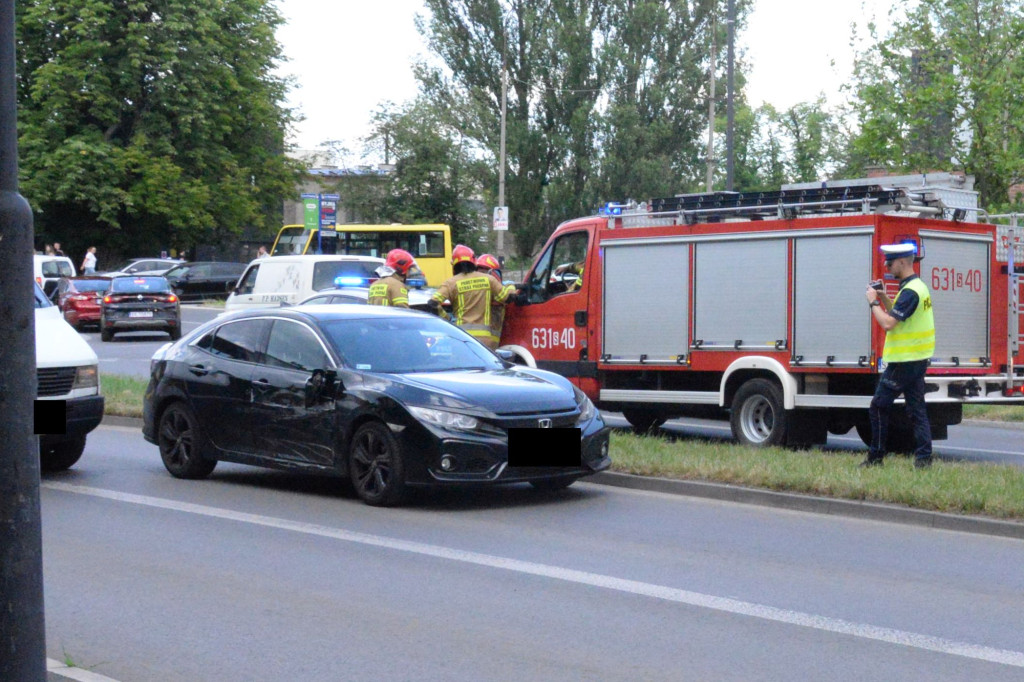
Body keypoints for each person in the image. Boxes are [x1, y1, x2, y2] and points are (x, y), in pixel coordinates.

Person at [862, 242, 935, 469]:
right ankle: (924, 460)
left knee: (878, 406)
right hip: (917, 358)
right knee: (916, 410)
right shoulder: (917, 287)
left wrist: (873, 302)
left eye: (890, 262)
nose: (887, 265)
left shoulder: (910, 292)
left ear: (903, 262)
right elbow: (900, 314)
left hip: (903, 362)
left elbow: (889, 323)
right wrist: (884, 298)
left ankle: (876, 458)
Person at [430, 245, 516, 350]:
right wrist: (511, 287)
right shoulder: (489, 280)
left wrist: (447, 319)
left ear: (454, 265)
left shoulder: (450, 283)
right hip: (484, 340)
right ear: (473, 262)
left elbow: (433, 303)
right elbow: (507, 298)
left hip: (460, 337)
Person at [475, 253, 508, 345]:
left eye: (484, 273)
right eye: (478, 272)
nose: (480, 277)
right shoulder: (473, 291)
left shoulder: (503, 288)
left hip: (493, 344)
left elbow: (507, 292)